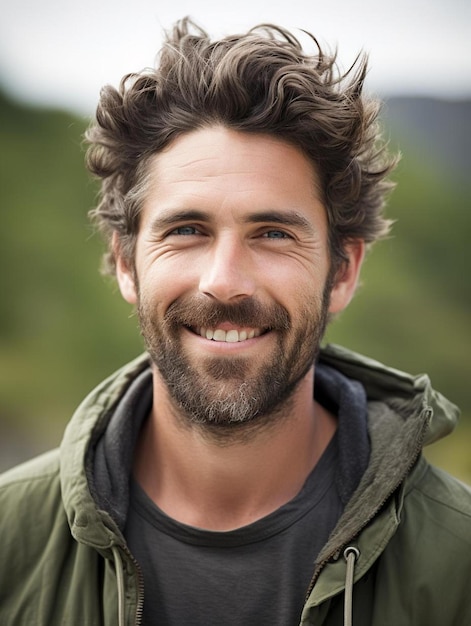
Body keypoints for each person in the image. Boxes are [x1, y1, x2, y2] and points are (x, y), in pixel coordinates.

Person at [0, 17, 470, 626]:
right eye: (187, 231)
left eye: (272, 233)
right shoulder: (11, 543)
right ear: (125, 264)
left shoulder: (458, 562)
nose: (224, 280)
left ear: (342, 271)